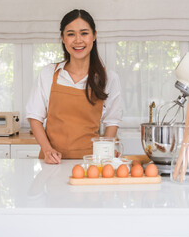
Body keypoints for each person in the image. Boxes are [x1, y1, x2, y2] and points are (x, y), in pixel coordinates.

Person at [26, 9, 123, 164]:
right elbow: (35, 117)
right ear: (63, 38)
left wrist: (106, 150)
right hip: (53, 162)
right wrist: (47, 149)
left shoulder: (108, 78)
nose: (78, 40)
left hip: (92, 163)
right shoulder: (48, 74)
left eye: (84, 33)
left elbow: (112, 121)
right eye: (71, 34)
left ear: (94, 36)